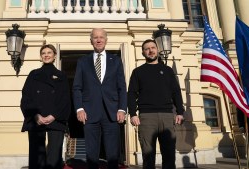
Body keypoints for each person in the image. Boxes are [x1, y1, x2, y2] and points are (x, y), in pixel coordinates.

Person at [72, 28, 127, 169]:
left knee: (113, 154)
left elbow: (121, 87)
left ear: (106, 40)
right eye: (95, 37)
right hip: (89, 113)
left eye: (101, 37)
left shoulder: (115, 60)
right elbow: (77, 87)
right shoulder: (83, 61)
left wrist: (122, 108)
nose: (98, 40)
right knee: (91, 154)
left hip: (112, 112)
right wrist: (79, 108)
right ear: (91, 41)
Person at [127, 39, 184, 169]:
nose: (150, 50)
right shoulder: (138, 72)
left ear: (157, 50)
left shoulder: (168, 70)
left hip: (167, 117)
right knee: (148, 157)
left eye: (153, 47)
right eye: (147, 49)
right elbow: (131, 94)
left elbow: (176, 92)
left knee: (169, 156)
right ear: (143, 52)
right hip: (146, 118)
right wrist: (132, 114)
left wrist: (180, 111)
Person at [20, 44, 71, 169]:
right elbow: (26, 97)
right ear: (41, 57)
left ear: (54, 56)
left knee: (54, 158)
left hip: (55, 118)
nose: (46, 55)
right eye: (43, 53)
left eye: (49, 53)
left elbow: (65, 99)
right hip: (36, 119)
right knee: (36, 157)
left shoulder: (61, 75)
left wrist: (54, 115)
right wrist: (35, 115)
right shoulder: (33, 74)